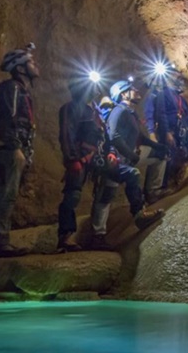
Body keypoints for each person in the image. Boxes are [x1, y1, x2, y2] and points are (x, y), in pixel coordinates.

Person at [88, 80, 166, 250]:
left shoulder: (129, 112)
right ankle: (100, 235)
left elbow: (139, 137)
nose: (136, 90)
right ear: (123, 94)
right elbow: (114, 135)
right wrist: (131, 155)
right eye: (131, 89)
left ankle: (98, 235)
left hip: (122, 158)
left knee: (107, 195)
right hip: (113, 159)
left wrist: (156, 146)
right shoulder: (119, 110)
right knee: (107, 194)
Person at [0, 43, 39, 259]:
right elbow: (8, 118)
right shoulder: (12, 88)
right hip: (9, 148)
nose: (35, 65)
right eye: (31, 62)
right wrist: (15, 147)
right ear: (21, 68)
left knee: (3, 193)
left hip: (12, 147)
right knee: (6, 194)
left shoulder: (20, 90)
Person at [56, 78, 114, 252]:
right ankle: (65, 237)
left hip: (95, 157)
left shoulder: (94, 110)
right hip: (81, 157)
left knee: (109, 186)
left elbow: (104, 136)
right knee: (72, 194)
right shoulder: (72, 107)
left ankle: (98, 235)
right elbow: (67, 134)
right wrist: (73, 159)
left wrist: (109, 152)